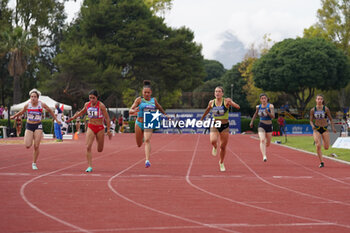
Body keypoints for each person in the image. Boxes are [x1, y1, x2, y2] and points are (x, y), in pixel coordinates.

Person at [10, 89, 61, 170]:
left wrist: (56, 119)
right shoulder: (28, 105)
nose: (33, 98)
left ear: (37, 98)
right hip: (29, 125)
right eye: (31, 97)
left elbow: (50, 111)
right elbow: (21, 112)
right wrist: (14, 116)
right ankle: (30, 137)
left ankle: (34, 163)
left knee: (36, 146)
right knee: (27, 145)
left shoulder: (42, 104)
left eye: (34, 97)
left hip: (38, 125)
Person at [67, 90, 112, 172]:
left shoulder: (101, 106)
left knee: (100, 149)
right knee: (88, 147)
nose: (91, 100)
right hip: (91, 126)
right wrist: (73, 117)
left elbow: (107, 118)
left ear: (97, 98)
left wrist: (108, 130)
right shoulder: (87, 104)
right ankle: (89, 166)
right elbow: (82, 112)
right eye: (90, 98)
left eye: (93, 98)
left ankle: (99, 143)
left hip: (100, 128)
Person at [129, 80, 169, 168]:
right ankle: (141, 139)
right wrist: (134, 110)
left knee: (147, 140)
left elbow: (160, 107)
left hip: (149, 122)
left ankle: (147, 160)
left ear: (151, 93)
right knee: (139, 144)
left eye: (148, 92)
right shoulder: (139, 100)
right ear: (142, 92)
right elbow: (130, 110)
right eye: (145, 92)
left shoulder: (153, 100)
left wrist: (166, 115)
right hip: (139, 123)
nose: (146, 94)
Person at [200, 86, 240, 172]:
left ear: (222, 93)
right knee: (213, 141)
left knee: (223, 146)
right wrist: (201, 118)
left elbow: (238, 107)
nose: (217, 93)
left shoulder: (226, 101)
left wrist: (231, 103)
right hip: (215, 124)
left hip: (225, 126)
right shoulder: (211, 102)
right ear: (214, 93)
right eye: (216, 91)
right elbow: (207, 110)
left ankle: (221, 162)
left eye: (219, 91)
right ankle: (214, 146)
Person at [309, 94, 336, 168]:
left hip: (324, 128)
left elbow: (330, 119)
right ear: (316, 100)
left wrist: (333, 127)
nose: (320, 100)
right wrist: (312, 126)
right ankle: (322, 162)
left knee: (326, 147)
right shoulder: (313, 110)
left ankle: (324, 141)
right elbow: (311, 121)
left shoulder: (326, 109)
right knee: (318, 145)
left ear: (322, 100)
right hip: (316, 129)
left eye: (321, 99)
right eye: (318, 99)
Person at [250, 93, 275, 162]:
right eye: (262, 98)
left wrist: (268, 112)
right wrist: (251, 121)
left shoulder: (270, 106)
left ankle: (265, 146)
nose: (263, 99)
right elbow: (255, 114)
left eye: (265, 98)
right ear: (260, 100)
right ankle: (264, 156)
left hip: (269, 125)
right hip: (261, 125)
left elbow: (273, 116)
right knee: (262, 140)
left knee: (268, 143)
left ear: (267, 99)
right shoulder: (258, 107)